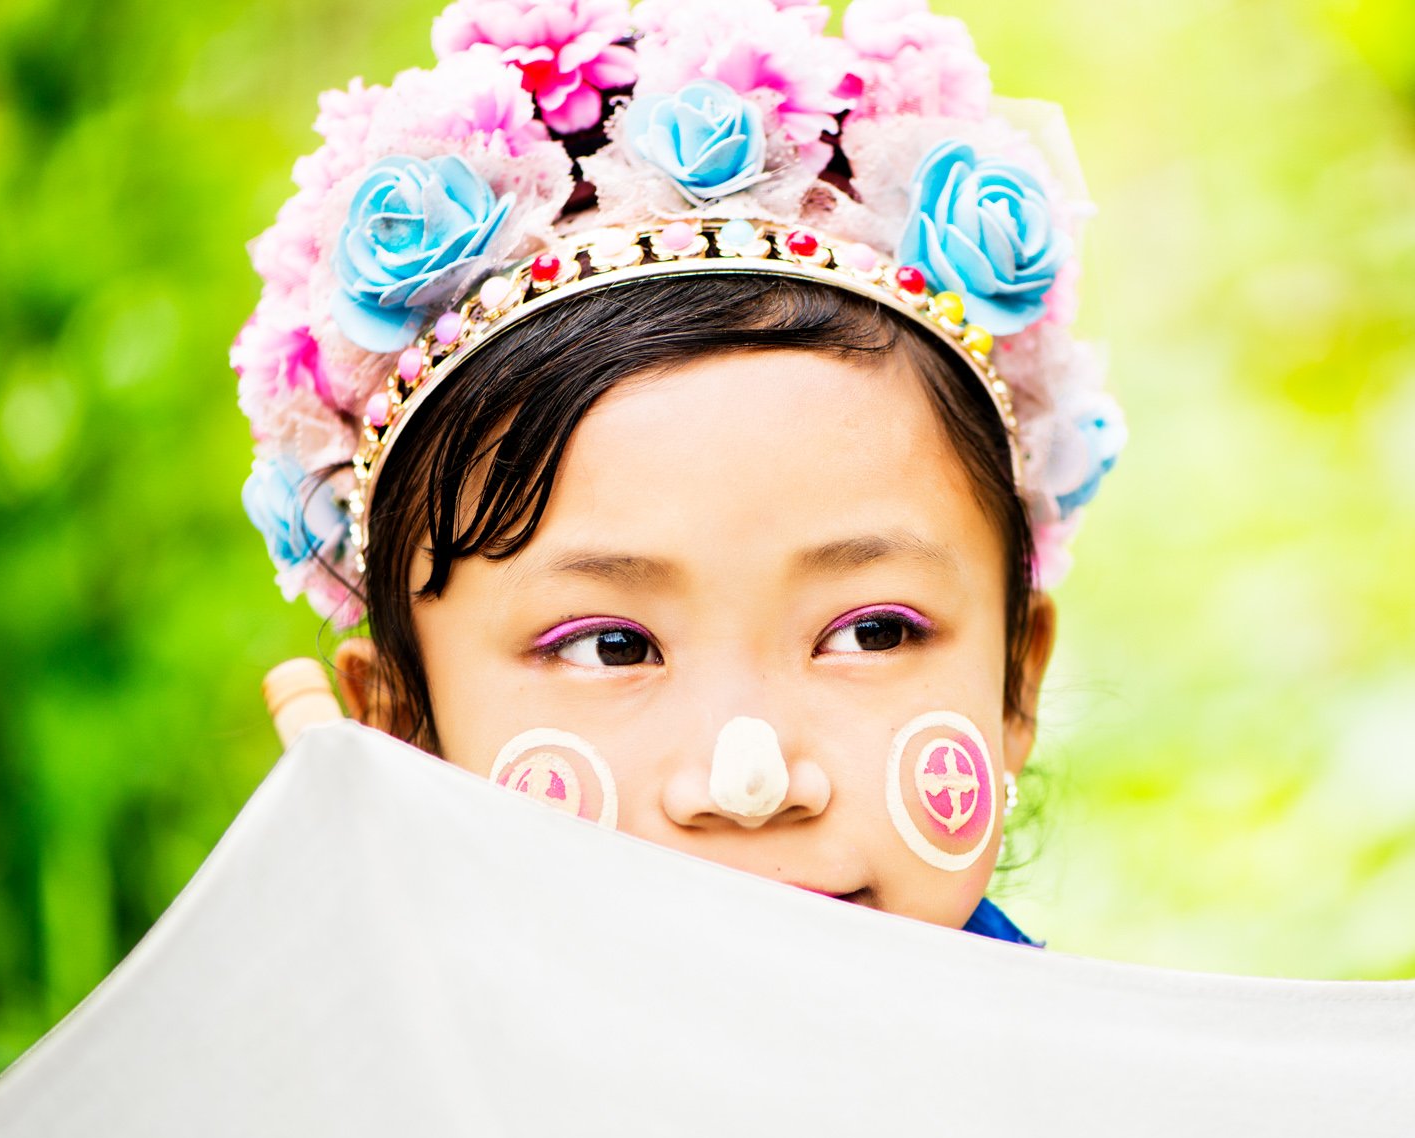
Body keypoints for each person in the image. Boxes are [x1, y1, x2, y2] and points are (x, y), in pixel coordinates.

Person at [231, 0, 1124, 950]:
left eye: (870, 632)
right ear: (401, 734)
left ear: (1013, 689)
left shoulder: (1113, 1097)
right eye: (611, 646)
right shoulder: (355, 1093)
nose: (750, 779)